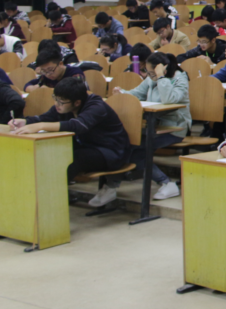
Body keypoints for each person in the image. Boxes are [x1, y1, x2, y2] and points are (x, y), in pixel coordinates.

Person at [96, 53, 190, 205]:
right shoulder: (151, 78)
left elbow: (169, 100)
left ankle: (164, 183)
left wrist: (160, 77)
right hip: (153, 125)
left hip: (175, 128)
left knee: (135, 149)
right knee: (128, 145)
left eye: (152, 73)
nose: (149, 76)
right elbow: (137, 93)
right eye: (147, 72)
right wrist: (122, 94)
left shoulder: (180, 79)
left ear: (163, 69)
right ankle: (112, 186)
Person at [11, 77, 130, 182]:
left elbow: (78, 126)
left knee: (70, 159)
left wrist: (41, 126)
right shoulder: (65, 104)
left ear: (77, 102)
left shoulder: (96, 106)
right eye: (55, 99)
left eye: (61, 101)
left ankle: (55, 194)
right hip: (85, 146)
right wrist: (25, 121)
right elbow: (45, 118)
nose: (56, 104)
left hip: (110, 151)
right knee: (51, 152)